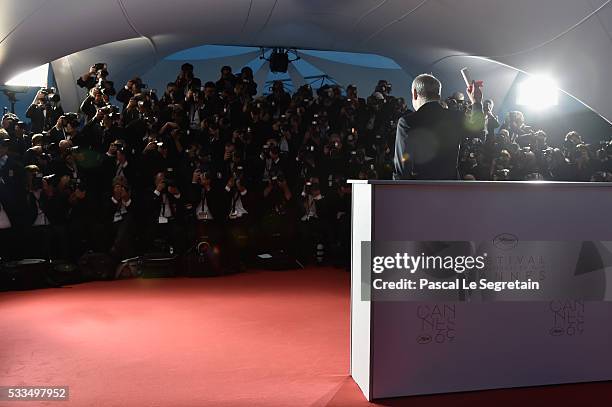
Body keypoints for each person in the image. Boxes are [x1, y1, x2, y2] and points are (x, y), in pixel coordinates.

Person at [393, 73, 485, 180]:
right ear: (438, 94)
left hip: (419, 190)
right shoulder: (455, 117)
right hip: (450, 188)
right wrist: (476, 102)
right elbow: (478, 129)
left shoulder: (407, 122)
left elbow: (402, 166)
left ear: (414, 93)